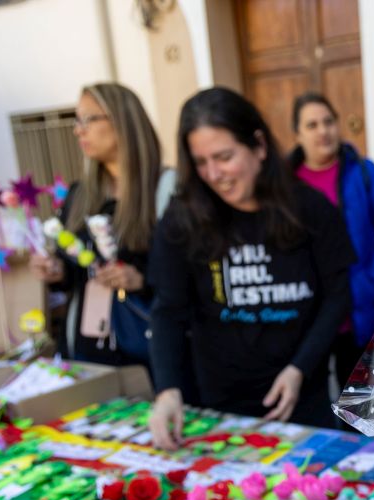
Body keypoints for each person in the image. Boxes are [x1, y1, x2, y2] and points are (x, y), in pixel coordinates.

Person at [147, 87, 355, 449]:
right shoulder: (182, 221)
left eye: (224, 157)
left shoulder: (311, 209)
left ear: (258, 146)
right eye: (200, 162)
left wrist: (298, 369)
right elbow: (168, 311)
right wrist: (167, 389)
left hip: (302, 403)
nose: (214, 174)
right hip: (217, 410)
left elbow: (337, 297)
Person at [28, 82, 171, 367]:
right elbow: (73, 270)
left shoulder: (166, 189)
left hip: (148, 352)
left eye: (89, 119)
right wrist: (56, 271)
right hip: (85, 351)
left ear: (123, 120)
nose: (78, 130)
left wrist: (141, 280)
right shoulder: (80, 194)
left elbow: (189, 274)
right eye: (77, 120)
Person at [288, 92, 374, 389]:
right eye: (312, 125)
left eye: (328, 122)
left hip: (356, 310)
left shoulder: (362, 171)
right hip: (307, 315)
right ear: (297, 134)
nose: (323, 131)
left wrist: (373, 282)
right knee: (308, 396)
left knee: (355, 400)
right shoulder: (285, 183)